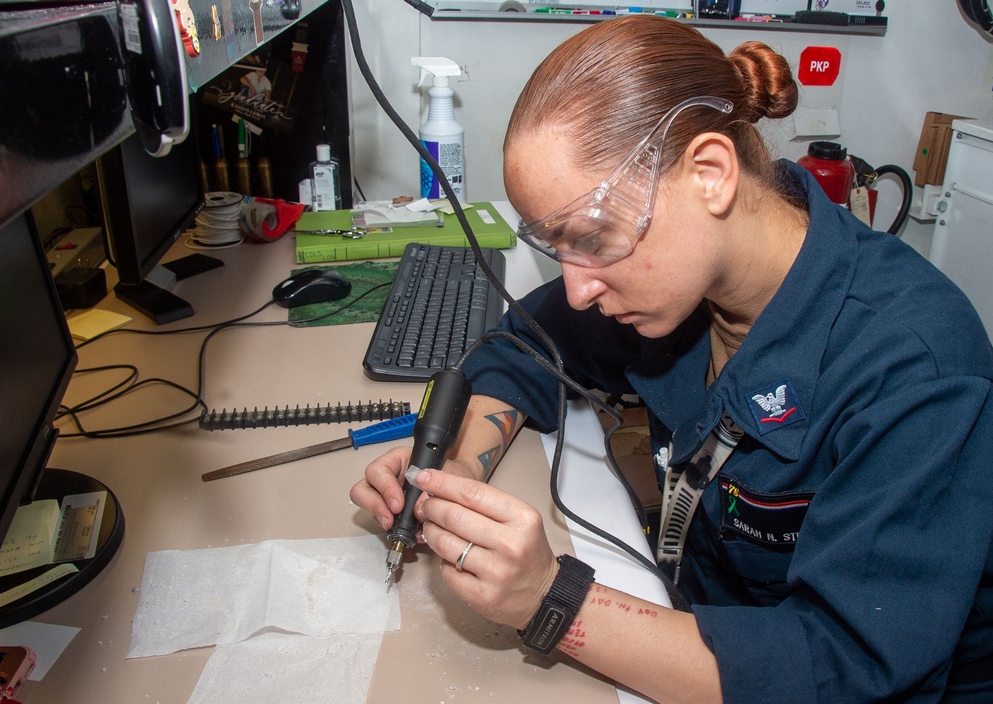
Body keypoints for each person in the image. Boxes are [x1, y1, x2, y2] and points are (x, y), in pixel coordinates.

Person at [351, 15, 993, 704]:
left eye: (592, 239)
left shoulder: (915, 365)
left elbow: (843, 670)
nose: (577, 288)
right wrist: (454, 464)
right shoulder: (674, 285)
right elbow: (524, 343)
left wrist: (551, 598)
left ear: (710, 175)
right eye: (555, 249)